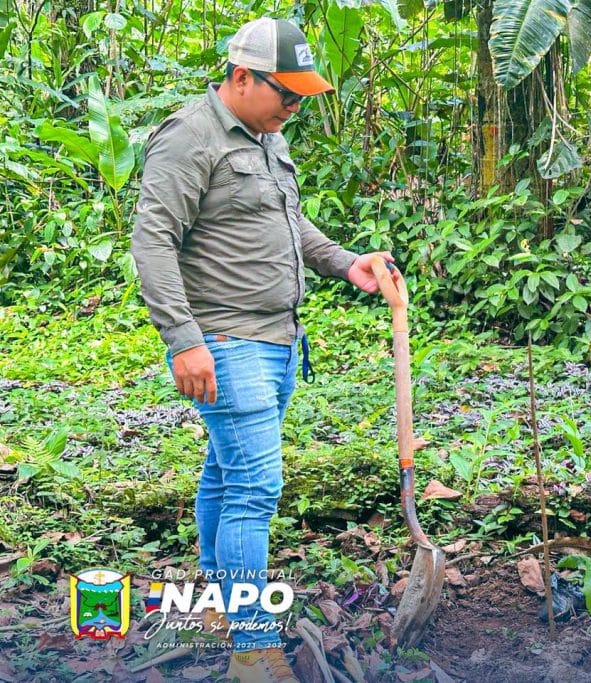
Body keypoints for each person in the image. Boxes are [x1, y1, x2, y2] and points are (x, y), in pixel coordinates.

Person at [131, 17, 397, 683]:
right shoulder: (190, 138)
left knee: (227, 474)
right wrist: (185, 341)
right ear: (241, 76)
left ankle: (219, 602)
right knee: (255, 485)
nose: (296, 107)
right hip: (225, 339)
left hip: (278, 339)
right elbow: (153, 241)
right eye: (288, 93)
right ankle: (253, 648)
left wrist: (346, 263)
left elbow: (286, 220)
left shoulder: (265, 136)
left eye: (304, 96)